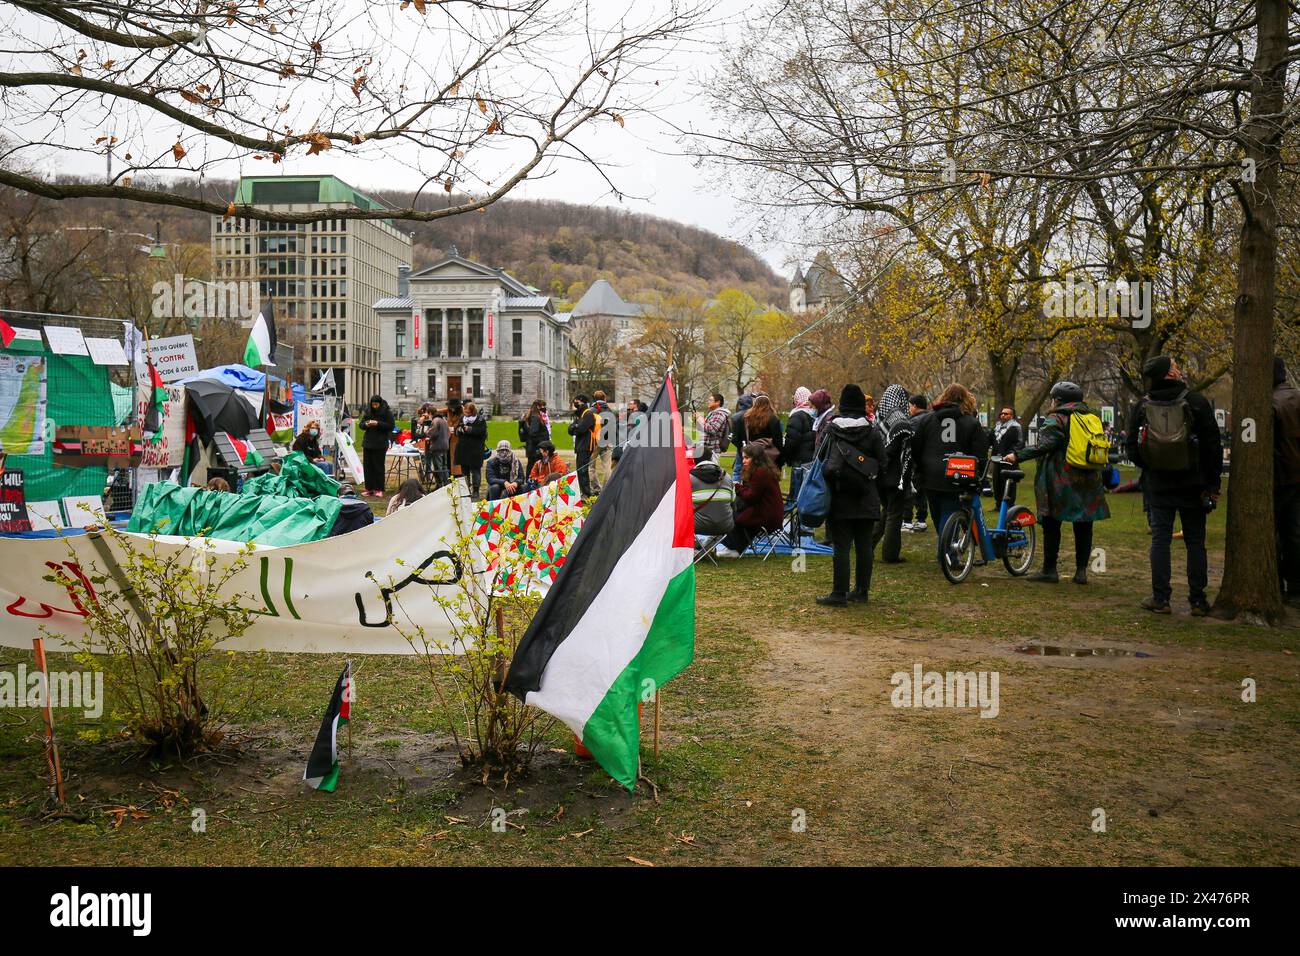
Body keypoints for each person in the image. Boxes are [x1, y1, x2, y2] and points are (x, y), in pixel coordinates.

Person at [1124, 355, 1222, 615]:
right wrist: (1211, 483)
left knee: (1160, 540)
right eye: (1175, 366)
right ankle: (1198, 600)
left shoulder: (1142, 405)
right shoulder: (1196, 402)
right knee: (1195, 541)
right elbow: (1213, 445)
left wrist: (1150, 465)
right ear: (1169, 374)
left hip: (1158, 483)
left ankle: (1160, 598)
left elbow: (1130, 446)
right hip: (1193, 482)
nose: (1179, 369)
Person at [1005, 382, 1110, 584]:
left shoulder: (1056, 417)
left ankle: (1049, 569)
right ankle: (1081, 572)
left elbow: (1044, 446)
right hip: (1089, 478)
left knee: (1052, 523)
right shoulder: (1092, 417)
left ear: (1057, 400)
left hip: (1061, 478)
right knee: (1084, 524)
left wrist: (1017, 456)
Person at [817, 385, 886, 606]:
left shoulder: (831, 430)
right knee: (865, 546)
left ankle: (839, 593)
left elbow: (820, 460)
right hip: (867, 495)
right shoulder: (873, 431)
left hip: (839, 496)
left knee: (842, 546)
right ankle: (861, 591)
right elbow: (883, 464)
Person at [910, 383, 989, 558]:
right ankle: (947, 554)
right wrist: (978, 476)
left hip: (930, 474)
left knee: (937, 513)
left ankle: (944, 548)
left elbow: (915, 447)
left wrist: (919, 468)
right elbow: (980, 453)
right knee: (950, 511)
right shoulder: (970, 422)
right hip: (957, 474)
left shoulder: (927, 420)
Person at [716, 441, 784, 557]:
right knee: (735, 512)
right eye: (743, 458)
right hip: (767, 511)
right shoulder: (762, 470)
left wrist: (736, 487)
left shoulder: (761, 473)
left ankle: (733, 548)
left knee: (732, 516)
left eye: (747, 458)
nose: (743, 461)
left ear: (756, 458)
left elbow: (750, 497)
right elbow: (751, 494)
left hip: (768, 516)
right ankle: (734, 547)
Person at [873, 384, 915, 563]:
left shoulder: (879, 417)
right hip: (894, 474)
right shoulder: (900, 420)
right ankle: (890, 554)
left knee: (886, 511)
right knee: (894, 514)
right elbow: (896, 450)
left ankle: (868, 543)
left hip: (878, 474)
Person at [1275, 357, 1300, 605]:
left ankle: (1278, 582)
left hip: (1281, 475)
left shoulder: (1270, 402)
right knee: (1293, 532)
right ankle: (1295, 585)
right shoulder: (1296, 397)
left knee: (1277, 532)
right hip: (1296, 474)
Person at [731, 394, 783, 475]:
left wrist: (742, 448)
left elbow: (740, 436)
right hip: (768, 453)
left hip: (751, 451)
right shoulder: (773, 418)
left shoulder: (746, 417)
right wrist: (779, 459)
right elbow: (778, 439)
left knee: (750, 477)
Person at [781, 386, 817, 499]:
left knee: (797, 496)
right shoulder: (815, 415)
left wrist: (786, 457)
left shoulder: (797, 415)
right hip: (812, 459)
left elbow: (791, 440)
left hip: (799, 461)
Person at [903, 393, 931, 531]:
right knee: (922, 492)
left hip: (915, 461)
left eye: (909, 406)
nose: (909, 409)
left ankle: (907, 519)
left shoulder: (914, 422)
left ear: (914, 406)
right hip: (929, 461)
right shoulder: (932, 419)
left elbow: (910, 442)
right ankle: (921, 519)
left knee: (910, 490)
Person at [360, 394, 395, 497]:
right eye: (373, 404)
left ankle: (378, 489)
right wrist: (366, 424)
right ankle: (369, 488)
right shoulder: (368, 411)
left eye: (376, 404)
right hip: (368, 443)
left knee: (378, 467)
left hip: (380, 443)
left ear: (380, 404)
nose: (374, 406)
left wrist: (378, 423)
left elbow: (390, 426)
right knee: (367, 467)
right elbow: (361, 424)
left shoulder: (387, 412)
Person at [991, 406, 1024, 505]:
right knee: (997, 482)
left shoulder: (1016, 427)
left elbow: (1020, 443)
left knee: (1009, 483)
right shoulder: (997, 427)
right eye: (1002, 413)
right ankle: (998, 504)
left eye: (1006, 413)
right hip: (997, 459)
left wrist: (1014, 454)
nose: (1003, 415)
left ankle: (1009, 504)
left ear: (1012, 416)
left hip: (1009, 460)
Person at [455, 400, 488, 498]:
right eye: (465, 411)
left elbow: (482, 432)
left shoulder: (480, 420)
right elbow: (457, 429)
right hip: (463, 449)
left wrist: (470, 430)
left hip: (475, 450)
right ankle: (466, 490)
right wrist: (459, 430)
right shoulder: (462, 418)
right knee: (464, 471)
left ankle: (476, 490)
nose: (466, 414)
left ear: (473, 411)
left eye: (468, 412)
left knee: (475, 471)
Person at [568, 394, 598, 498]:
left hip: (586, 445)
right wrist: (575, 426)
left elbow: (581, 429)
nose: (575, 403)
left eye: (576, 401)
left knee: (583, 470)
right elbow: (570, 430)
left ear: (582, 402)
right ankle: (583, 491)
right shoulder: (580, 415)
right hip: (580, 445)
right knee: (579, 470)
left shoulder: (588, 414)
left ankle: (586, 493)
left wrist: (575, 426)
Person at [590, 390, 613, 492]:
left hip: (594, 441)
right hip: (607, 440)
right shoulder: (609, 411)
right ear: (604, 398)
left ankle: (596, 488)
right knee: (608, 467)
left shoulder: (591, 410)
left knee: (591, 466)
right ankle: (606, 489)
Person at [729, 393, 756, 480]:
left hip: (741, 447)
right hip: (753, 446)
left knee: (738, 470)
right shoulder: (755, 415)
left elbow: (732, 436)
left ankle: (736, 488)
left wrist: (740, 447)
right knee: (752, 470)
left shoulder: (735, 417)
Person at [700, 392, 732, 462]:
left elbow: (712, 429)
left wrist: (701, 420)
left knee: (712, 470)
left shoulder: (719, 414)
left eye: (710, 400)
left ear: (717, 402)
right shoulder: (713, 413)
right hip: (708, 448)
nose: (708, 402)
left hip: (713, 449)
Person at [520, 400, 549, 477]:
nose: (544, 408)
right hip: (535, 448)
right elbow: (533, 433)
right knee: (534, 466)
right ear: (538, 406)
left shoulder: (533, 416)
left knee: (532, 465)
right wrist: (541, 443)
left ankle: (530, 480)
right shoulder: (535, 417)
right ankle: (531, 482)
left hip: (532, 447)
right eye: (543, 406)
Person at [426, 407, 451, 488]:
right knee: (444, 466)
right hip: (445, 445)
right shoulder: (444, 420)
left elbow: (433, 433)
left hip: (437, 446)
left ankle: (439, 485)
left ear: (430, 413)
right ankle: (446, 483)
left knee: (438, 467)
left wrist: (427, 431)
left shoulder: (435, 421)